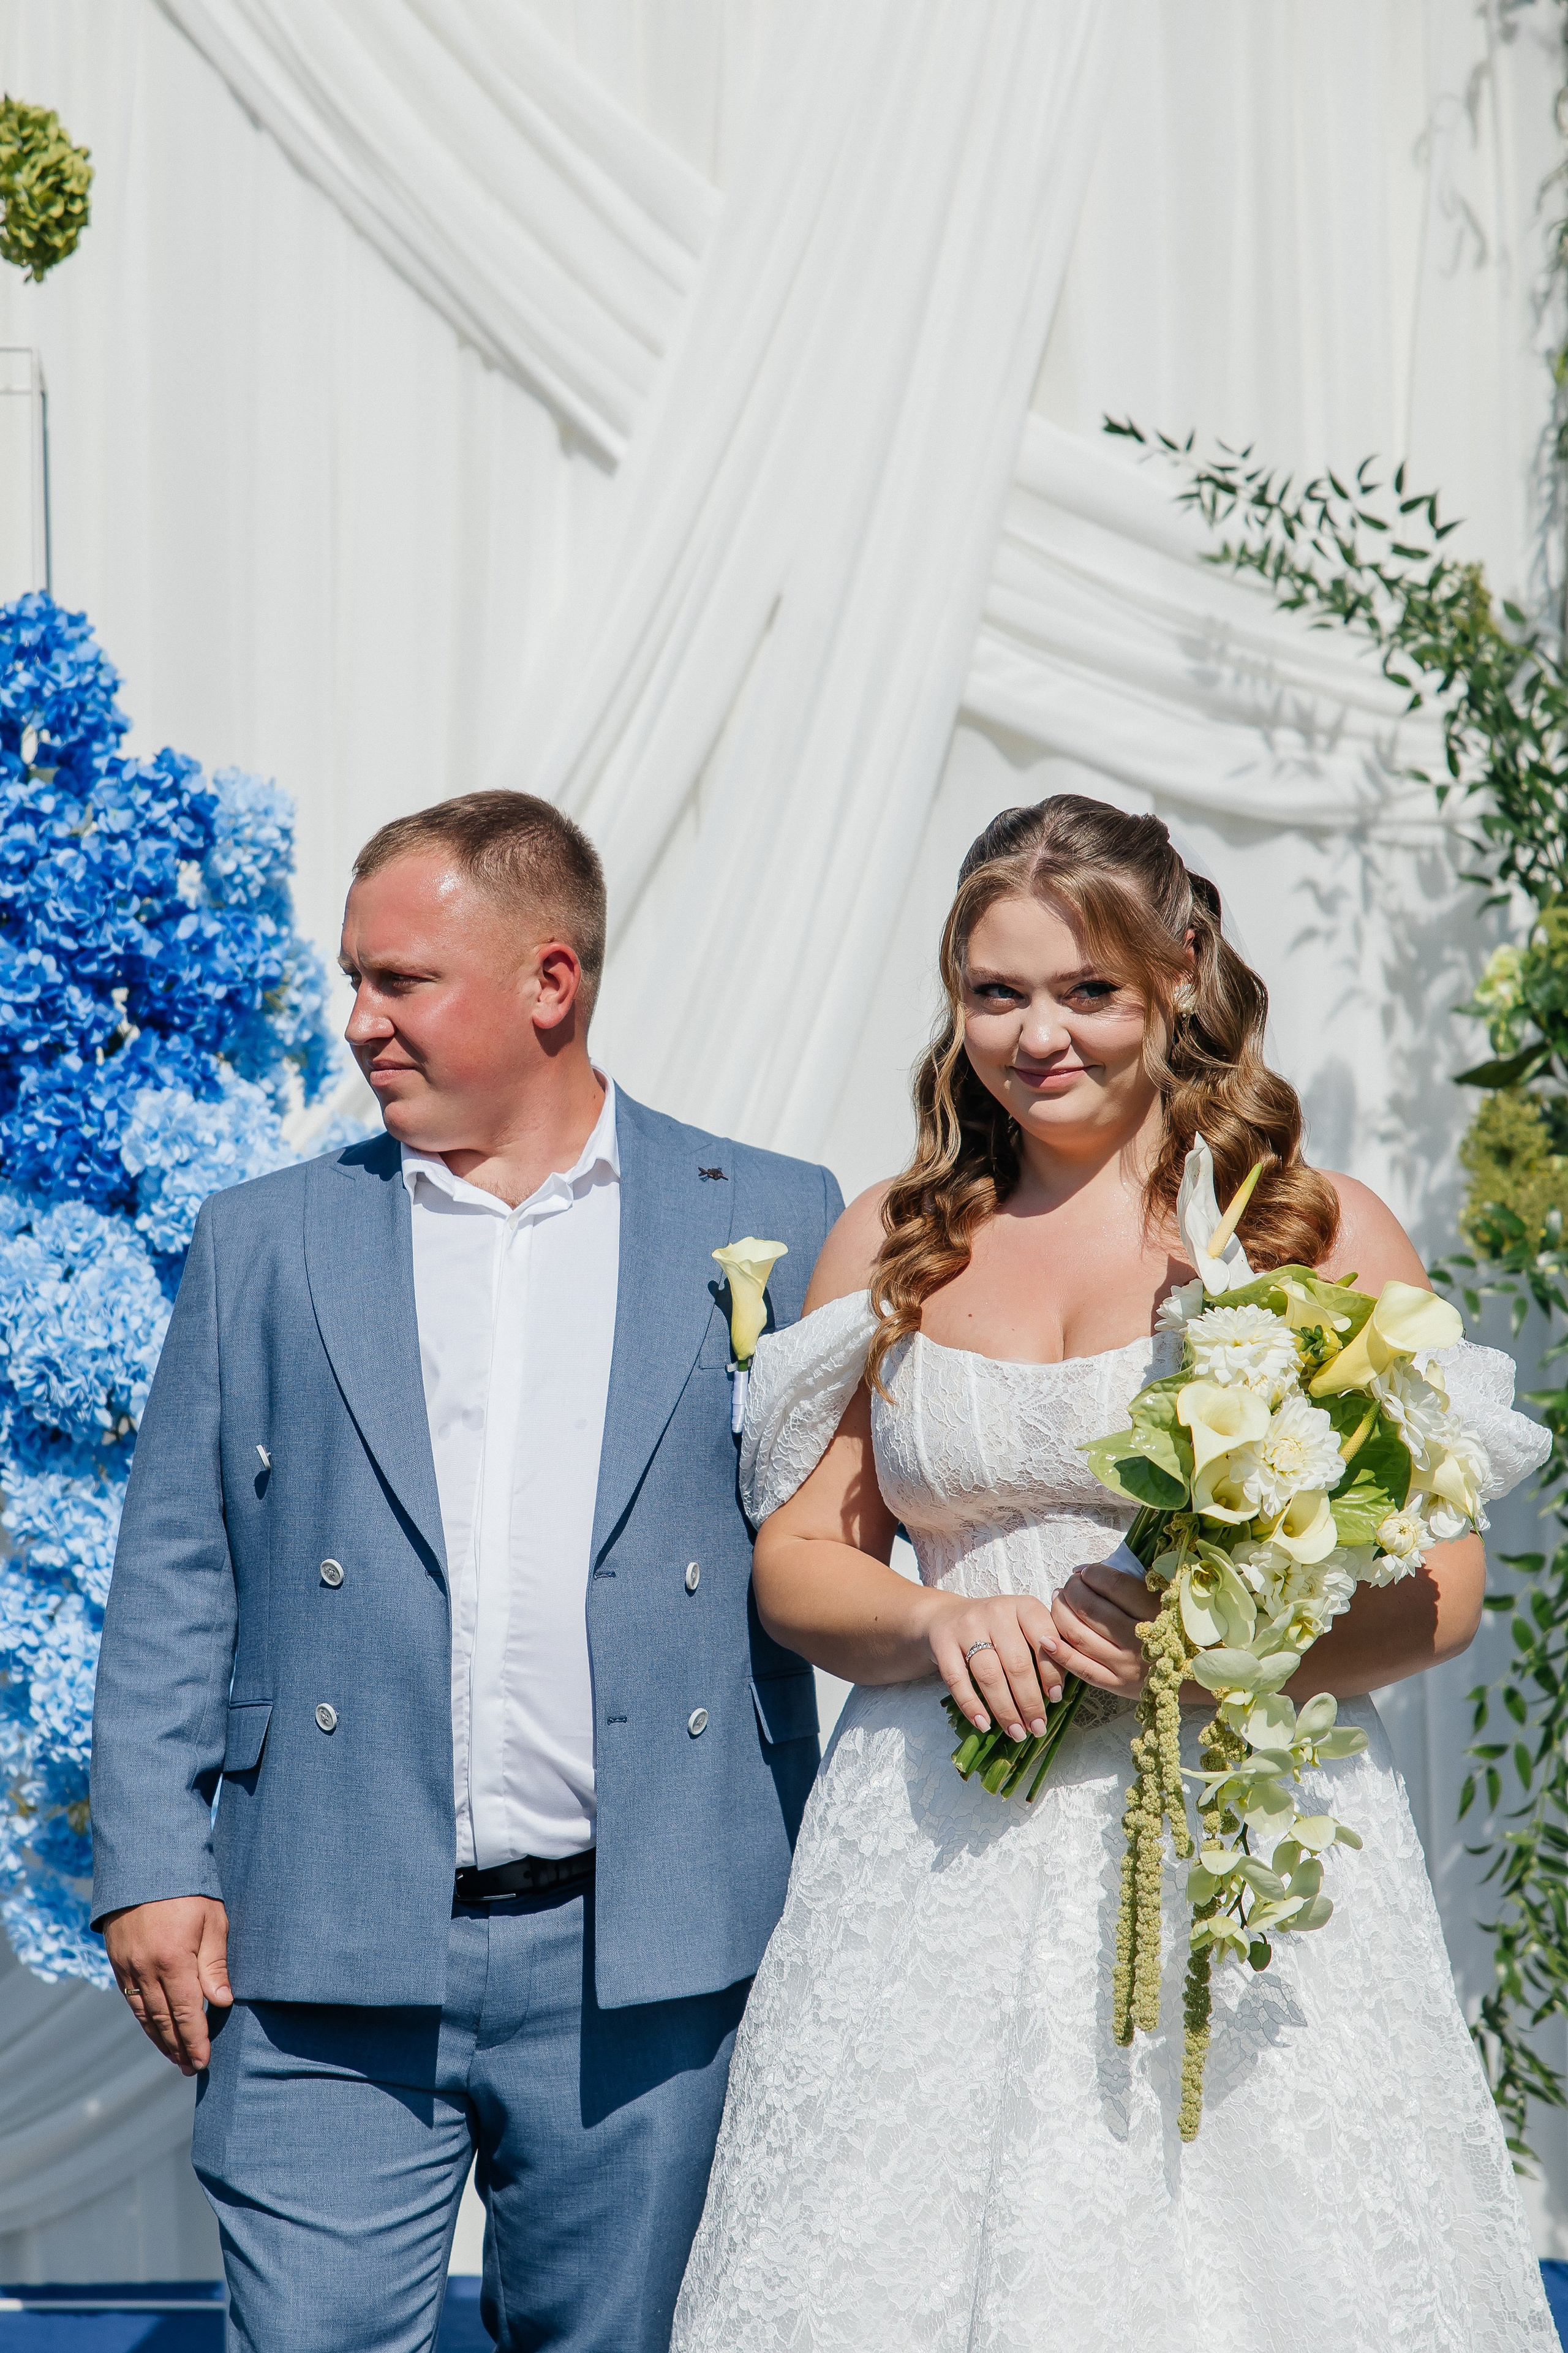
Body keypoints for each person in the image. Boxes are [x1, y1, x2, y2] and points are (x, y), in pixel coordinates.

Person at [671, 794, 1557, 2353]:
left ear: (1178, 975)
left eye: (1086, 991)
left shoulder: (1306, 1230)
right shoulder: (890, 1239)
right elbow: (799, 1566)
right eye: (995, 993)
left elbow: (1443, 1592)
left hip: (1235, 1844)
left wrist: (1211, 1645)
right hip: (926, 1849)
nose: (1038, 1037)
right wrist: (940, 1615)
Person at [89, 790, 843, 2353]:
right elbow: (176, 1567)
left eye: (399, 980)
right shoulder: (266, 1240)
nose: (359, 1020)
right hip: (320, 1931)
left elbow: (849, 1526)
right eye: (355, 979)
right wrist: (156, 1861)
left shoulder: (772, 1217)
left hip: (654, 1944)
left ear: (550, 982)